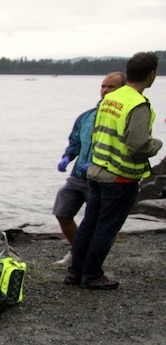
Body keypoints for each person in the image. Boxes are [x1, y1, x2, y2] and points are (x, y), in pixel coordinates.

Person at [67, 52, 163, 290]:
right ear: (152, 75)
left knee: (90, 223)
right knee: (106, 228)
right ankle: (92, 274)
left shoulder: (110, 98)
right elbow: (138, 144)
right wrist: (157, 145)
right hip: (120, 176)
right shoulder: (137, 104)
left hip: (97, 170)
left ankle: (75, 271)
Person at [52, 72, 126, 266]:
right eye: (104, 86)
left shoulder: (122, 117)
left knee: (94, 222)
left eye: (112, 87)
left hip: (101, 177)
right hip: (78, 176)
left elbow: (122, 149)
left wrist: (99, 165)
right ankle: (77, 252)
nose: (106, 90)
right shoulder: (87, 116)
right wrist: (67, 157)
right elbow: (75, 142)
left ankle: (89, 262)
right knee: (62, 210)